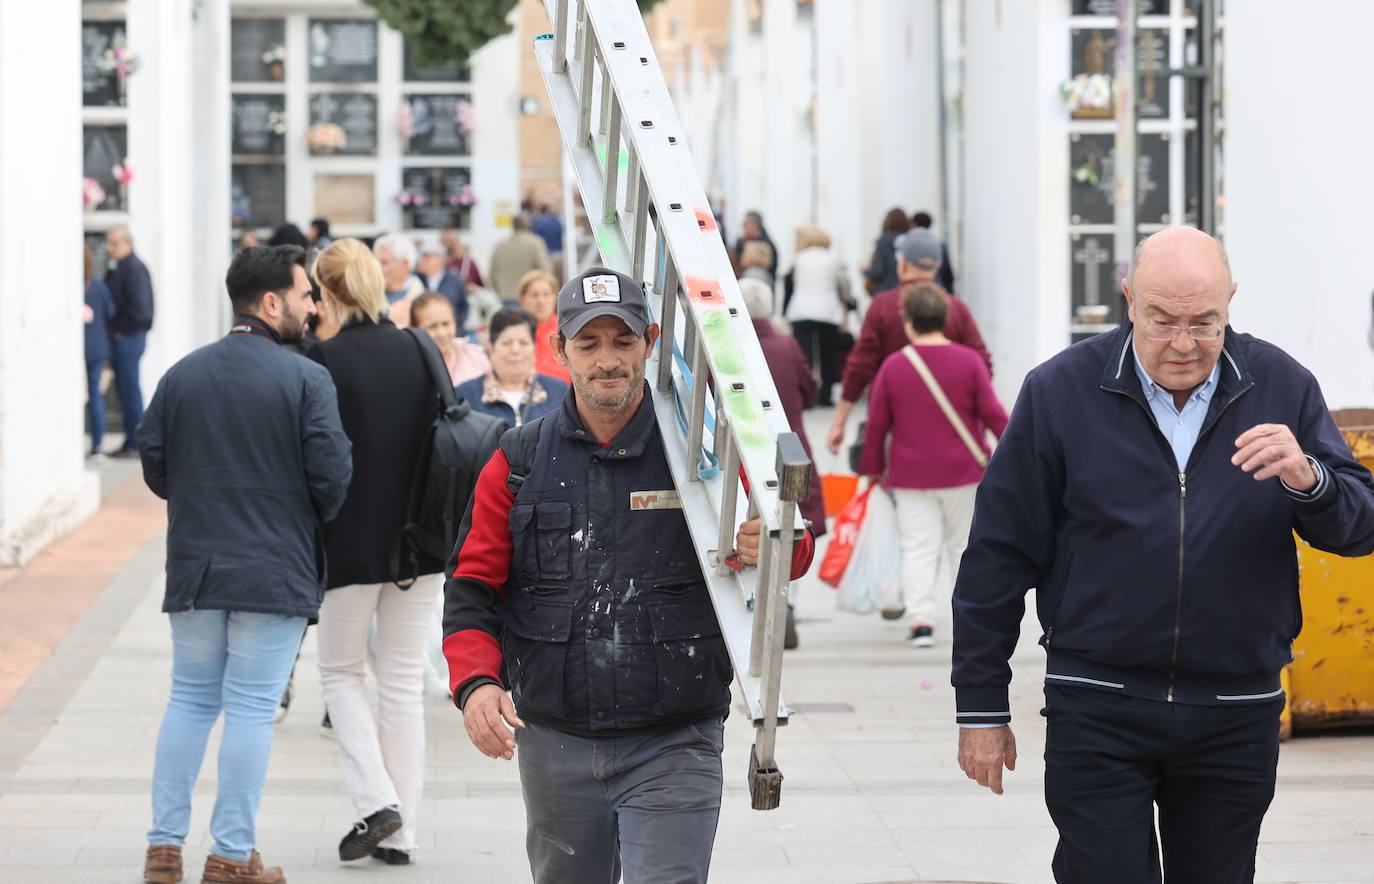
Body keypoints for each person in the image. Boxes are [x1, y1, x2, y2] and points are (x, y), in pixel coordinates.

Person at [952, 227, 1374, 882]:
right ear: (1129, 301)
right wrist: (981, 705)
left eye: (1205, 323)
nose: (1184, 344)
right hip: (1097, 704)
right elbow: (997, 556)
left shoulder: (1282, 385)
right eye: (1163, 320)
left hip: (1235, 712)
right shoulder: (1060, 392)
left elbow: (1359, 525)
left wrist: (1309, 477)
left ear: (1231, 302)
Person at [443, 267, 815, 884]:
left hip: (676, 739)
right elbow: (471, 588)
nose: (607, 360)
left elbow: (792, 542)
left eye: (623, 341)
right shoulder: (517, 461)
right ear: (559, 350)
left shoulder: (709, 454)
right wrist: (477, 682)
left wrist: (772, 541)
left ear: (650, 340)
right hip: (554, 742)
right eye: (588, 344)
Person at [137, 245, 352, 884]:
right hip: (274, 567)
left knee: (190, 701)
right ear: (270, 303)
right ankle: (230, 855)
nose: (313, 305)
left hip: (196, 565)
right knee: (252, 708)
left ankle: (163, 848)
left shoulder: (181, 374)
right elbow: (333, 476)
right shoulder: (307, 378)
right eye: (305, 294)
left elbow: (155, 465)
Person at [306, 238, 453, 866]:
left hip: (348, 543)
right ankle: (403, 832)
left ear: (328, 292)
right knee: (399, 683)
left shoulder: (322, 361)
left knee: (340, 673)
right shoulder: (420, 348)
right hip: (420, 541)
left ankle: (376, 801)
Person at [859, 283, 1006, 644]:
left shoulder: (894, 366)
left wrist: (872, 468)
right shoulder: (969, 361)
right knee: (962, 547)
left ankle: (921, 620)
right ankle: (966, 618)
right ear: (944, 318)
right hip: (963, 472)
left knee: (919, 546)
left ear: (909, 322)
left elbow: (878, 424)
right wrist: (1013, 455)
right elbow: (993, 414)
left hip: (911, 476)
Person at [826, 228, 991, 455]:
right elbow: (983, 364)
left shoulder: (882, 306)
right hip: (950, 426)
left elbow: (860, 367)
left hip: (895, 426)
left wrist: (839, 422)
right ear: (937, 266)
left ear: (902, 264)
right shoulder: (956, 308)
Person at [739, 277, 828, 649]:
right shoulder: (788, 345)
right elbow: (809, 390)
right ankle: (786, 604)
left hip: (744, 451)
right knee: (793, 524)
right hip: (791, 448)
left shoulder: (730, 347)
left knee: (747, 529)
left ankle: (754, 604)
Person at [456, 306, 568, 429]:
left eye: (523, 343)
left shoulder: (559, 391)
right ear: (491, 348)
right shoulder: (466, 395)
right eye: (506, 343)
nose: (515, 350)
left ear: (534, 347)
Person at [783, 225, 852, 408]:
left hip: (801, 310)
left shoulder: (799, 258)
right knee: (828, 355)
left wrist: (784, 312)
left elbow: (789, 283)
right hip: (828, 311)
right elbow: (843, 285)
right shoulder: (834, 259)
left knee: (804, 356)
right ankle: (825, 395)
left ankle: (806, 396)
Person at [105, 225, 155, 458]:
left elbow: (142, 312)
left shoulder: (134, 269)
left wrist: (121, 330)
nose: (109, 248)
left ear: (129, 244)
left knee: (130, 390)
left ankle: (135, 444)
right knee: (125, 391)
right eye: (109, 243)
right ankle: (130, 441)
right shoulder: (119, 269)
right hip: (123, 338)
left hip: (130, 338)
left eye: (115, 243)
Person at [410, 292, 489, 387]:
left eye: (446, 324)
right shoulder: (408, 367)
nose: (442, 333)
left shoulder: (477, 356)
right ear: (414, 329)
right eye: (432, 326)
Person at [83, 245, 115, 461]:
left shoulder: (68, 286)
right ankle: (97, 446)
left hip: (80, 349)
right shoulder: (98, 286)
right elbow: (111, 312)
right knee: (95, 396)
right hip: (97, 348)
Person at [516, 269, 572, 384]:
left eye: (546, 294)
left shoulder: (568, 330)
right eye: (534, 295)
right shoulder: (512, 333)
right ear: (521, 299)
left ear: (555, 298)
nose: (541, 301)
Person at [489, 215, 553, 302]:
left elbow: (492, 275)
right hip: (530, 296)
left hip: (506, 296)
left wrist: (500, 291)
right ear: (528, 225)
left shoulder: (500, 246)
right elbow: (546, 271)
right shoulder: (536, 243)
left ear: (513, 226)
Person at [374, 233, 426, 328]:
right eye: (376, 262)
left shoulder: (423, 300)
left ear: (404, 263)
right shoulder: (369, 296)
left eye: (384, 262)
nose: (377, 268)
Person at [414, 241, 468, 330]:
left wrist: (456, 328)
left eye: (427, 257)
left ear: (441, 259)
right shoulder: (416, 280)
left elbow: (463, 307)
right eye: (421, 257)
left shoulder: (455, 281)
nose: (422, 261)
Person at [862, 208, 910, 295]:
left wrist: (865, 270)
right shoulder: (910, 241)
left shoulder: (883, 242)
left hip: (885, 292)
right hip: (906, 292)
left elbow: (878, 270)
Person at [910, 211, 956, 294]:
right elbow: (948, 274)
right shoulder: (940, 244)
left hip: (915, 291)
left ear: (914, 224)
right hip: (938, 288)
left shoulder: (909, 246)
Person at [732, 210, 778, 279]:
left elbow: (770, 270)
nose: (743, 228)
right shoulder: (742, 241)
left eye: (745, 224)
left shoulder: (767, 246)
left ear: (753, 225)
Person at [441, 226, 485, 290]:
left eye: (451, 241)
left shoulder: (467, 261)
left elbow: (469, 283)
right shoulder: (441, 260)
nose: (450, 244)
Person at [530, 203, 564, 268]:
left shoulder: (538, 222)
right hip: (557, 253)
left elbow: (535, 237)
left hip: (544, 253)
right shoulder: (558, 221)